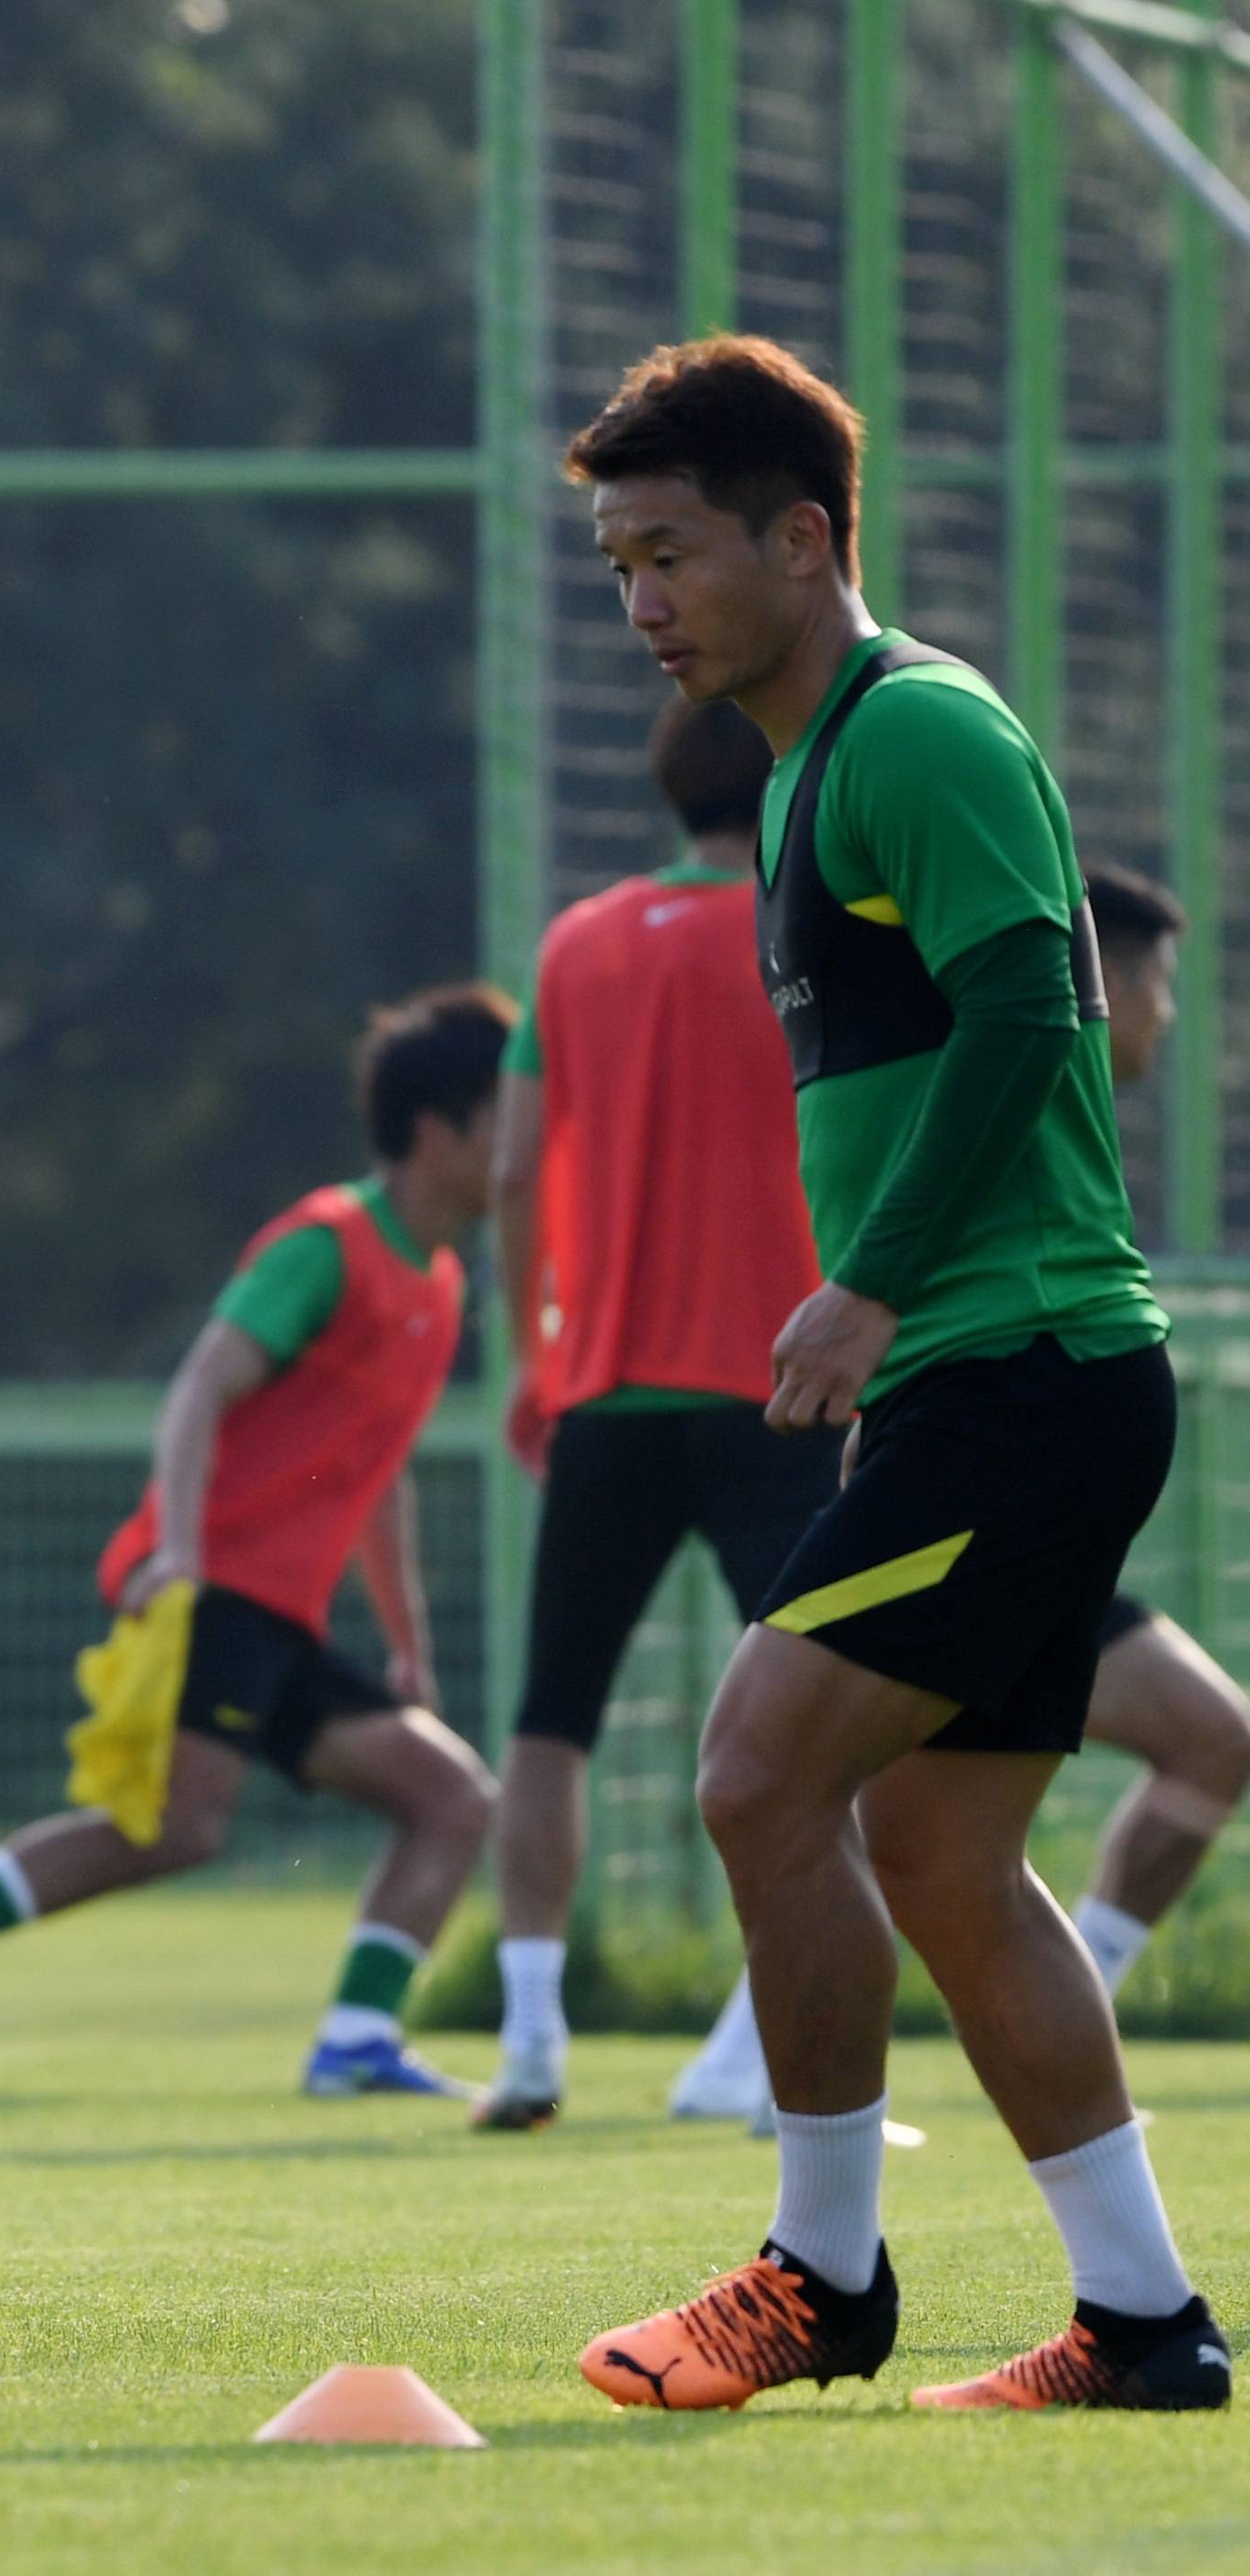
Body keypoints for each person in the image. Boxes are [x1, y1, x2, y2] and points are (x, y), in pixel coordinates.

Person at [565, 335, 1221, 2414]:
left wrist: (866, 1284)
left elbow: (1035, 1013)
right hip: (999, 1365)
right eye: (612, 564)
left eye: (668, 551)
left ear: (803, 536)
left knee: (758, 1769)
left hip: (1009, 1361)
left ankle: (815, 2278)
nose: (639, 599)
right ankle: (1140, 2323)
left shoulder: (909, 731)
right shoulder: (798, 767)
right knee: (938, 1852)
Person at [664, 860, 1250, 2126]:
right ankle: (762, 2108)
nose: (1163, 1011)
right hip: (993, 1439)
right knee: (816, 1788)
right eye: (1154, 979)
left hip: (1020, 1436)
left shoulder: (1043, 1119)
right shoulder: (993, 1050)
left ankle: (1119, 2266)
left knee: (905, 1816)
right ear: (1094, 973)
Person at [0, 989, 513, 2107]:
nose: (527, 1137)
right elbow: (201, 1387)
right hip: (217, 1593)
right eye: (507, 1114)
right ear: (440, 1131)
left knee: (450, 1797)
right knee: (170, 1828)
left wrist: (407, 1645)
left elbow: (374, 1470)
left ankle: (356, 2040)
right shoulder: (330, 1243)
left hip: (285, 1617)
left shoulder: (438, 1284)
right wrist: (183, 1553)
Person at [472, 697, 835, 2132]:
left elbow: (511, 1170)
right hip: (785, 1387)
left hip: (606, 1389)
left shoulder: (573, 943)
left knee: (550, 1716)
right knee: (819, 1729)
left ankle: (527, 2040)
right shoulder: (808, 929)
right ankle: (753, 2052)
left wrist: (528, 1354)